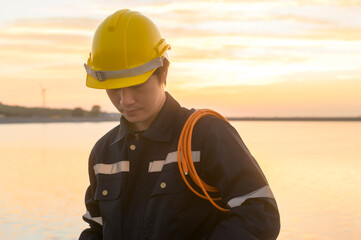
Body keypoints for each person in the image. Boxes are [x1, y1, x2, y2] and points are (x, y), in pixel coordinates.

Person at [79, 9, 280, 240]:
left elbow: (260, 215)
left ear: (163, 72)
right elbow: (96, 229)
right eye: (114, 89)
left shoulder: (206, 135)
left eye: (136, 85)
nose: (125, 100)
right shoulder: (103, 152)